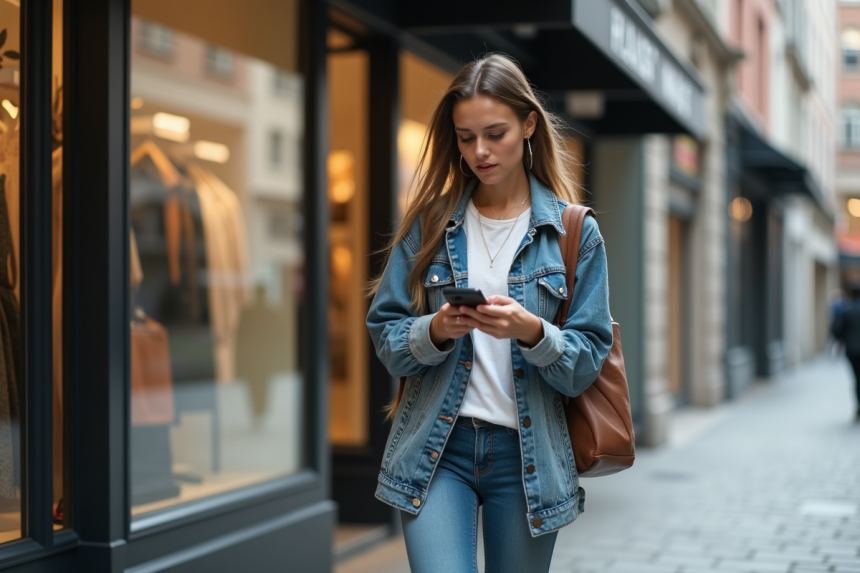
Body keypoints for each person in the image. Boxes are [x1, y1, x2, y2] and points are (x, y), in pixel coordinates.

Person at [366, 54, 613, 572]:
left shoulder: (573, 233)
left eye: (494, 133)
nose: (479, 151)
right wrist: (433, 330)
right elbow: (386, 336)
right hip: (439, 450)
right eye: (464, 137)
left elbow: (587, 359)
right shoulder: (431, 223)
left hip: (527, 456)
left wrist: (532, 332)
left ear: (528, 125)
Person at [831, 283, 860, 421]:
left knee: (857, 379)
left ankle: (859, 408)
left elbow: (836, 330)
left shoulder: (846, 311)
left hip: (852, 350)